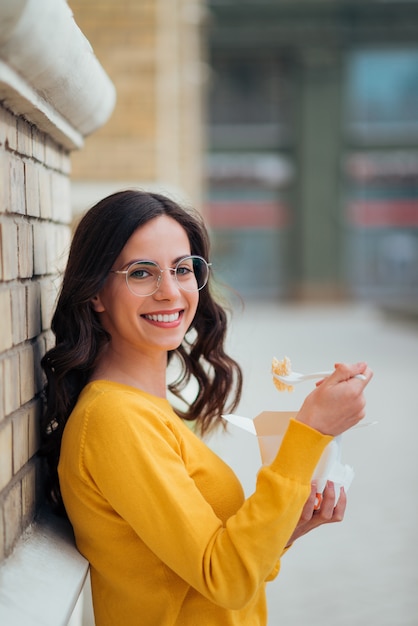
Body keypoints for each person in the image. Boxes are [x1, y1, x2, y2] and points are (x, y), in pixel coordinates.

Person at [41, 189, 372, 626]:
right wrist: (309, 430)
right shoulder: (114, 419)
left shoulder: (148, 409)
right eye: (142, 273)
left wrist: (288, 526)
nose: (170, 291)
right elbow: (226, 578)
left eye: (182, 269)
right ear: (96, 292)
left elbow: (219, 566)